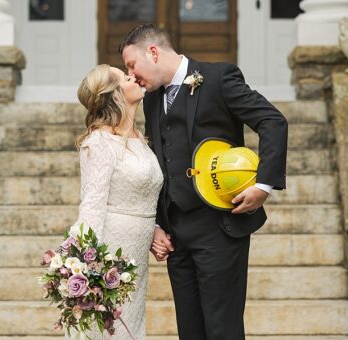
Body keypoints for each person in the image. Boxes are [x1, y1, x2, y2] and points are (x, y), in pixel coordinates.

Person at [120, 24, 288, 338]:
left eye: (132, 65)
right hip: (176, 233)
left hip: (219, 228)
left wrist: (263, 185)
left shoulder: (219, 78)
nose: (131, 75)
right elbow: (159, 160)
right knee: (190, 330)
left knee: (222, 329)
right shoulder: (153, 98)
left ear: (153, 52)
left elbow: (272, 121)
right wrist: (157, 222)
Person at [68, 64, 164, 339]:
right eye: (125, 76)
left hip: (137, 254)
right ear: (115, 93)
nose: (133, 75)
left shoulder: (140, 139)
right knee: (105, 328)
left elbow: (146, 193)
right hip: (112, 251)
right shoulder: (99, 142)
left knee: (130, 324)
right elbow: (92, 203)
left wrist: (156, 227)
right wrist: (86, 265)